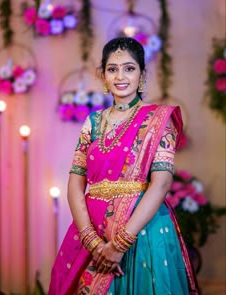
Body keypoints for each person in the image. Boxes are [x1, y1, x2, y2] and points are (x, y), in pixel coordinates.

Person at [49, 37, 199, 295]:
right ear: (104, 75)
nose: (121, 76)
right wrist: (93, 243)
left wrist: (119, 244)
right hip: (91, 231)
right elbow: (75, 184)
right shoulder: (93, 122)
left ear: (142, 74)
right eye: (112, 68)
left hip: (142, 232)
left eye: (129, 68)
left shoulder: (159, 120)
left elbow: (161, 183)